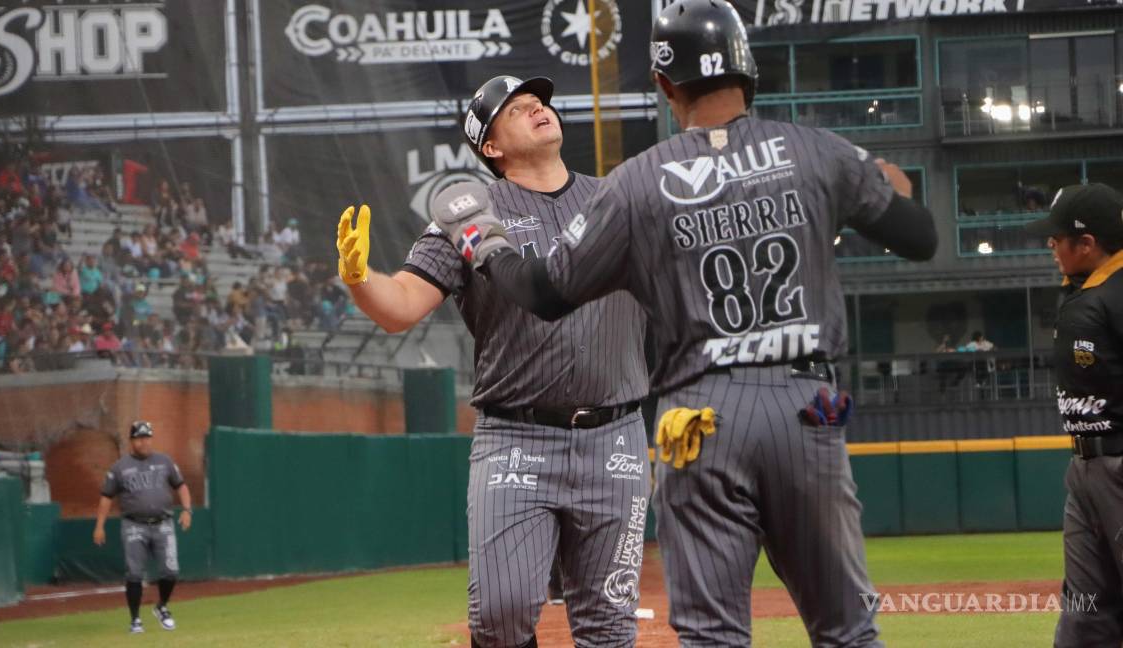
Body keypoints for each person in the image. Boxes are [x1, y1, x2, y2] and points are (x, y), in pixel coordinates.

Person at [429, 3, 938, 645]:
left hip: (698, 414)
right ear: (748, 68)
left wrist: (486, 244)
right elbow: (918, 236)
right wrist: (877, 180)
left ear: (666, 86)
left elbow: (545, 293)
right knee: (847, 629)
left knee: (711, 635)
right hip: (812, 405)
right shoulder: (813, 150)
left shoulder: (637, 182)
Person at [336, 75, 651, 647]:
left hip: (617, 436)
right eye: (518, 109)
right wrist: (360, 280)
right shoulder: (471, 213)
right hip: (516, 436)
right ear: (490, 147)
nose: (538, 108)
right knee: (500, 616)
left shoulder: (616, 199)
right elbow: (401, 306)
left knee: (609, 624)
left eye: (541, 102)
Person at [1023, 183, 1123, 647]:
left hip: (1119, 462)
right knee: (1084, 614)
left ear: (1087, 244)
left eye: (1058, 236)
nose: (1050, 243)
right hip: (1084, 468)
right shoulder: (1085, 289)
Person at [93, 421, 192, 634]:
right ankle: (135, 620)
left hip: (163, 523)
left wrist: (187, 510)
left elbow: (181, 485)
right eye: (139, 438)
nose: (144, 442)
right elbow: (106, 497)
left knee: (170, 571)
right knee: (135, 574)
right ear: (131, 441)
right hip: (134, 525)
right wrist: (99, 526)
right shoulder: (120, 467)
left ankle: (162, 606)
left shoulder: (164, 461)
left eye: (147, 437)